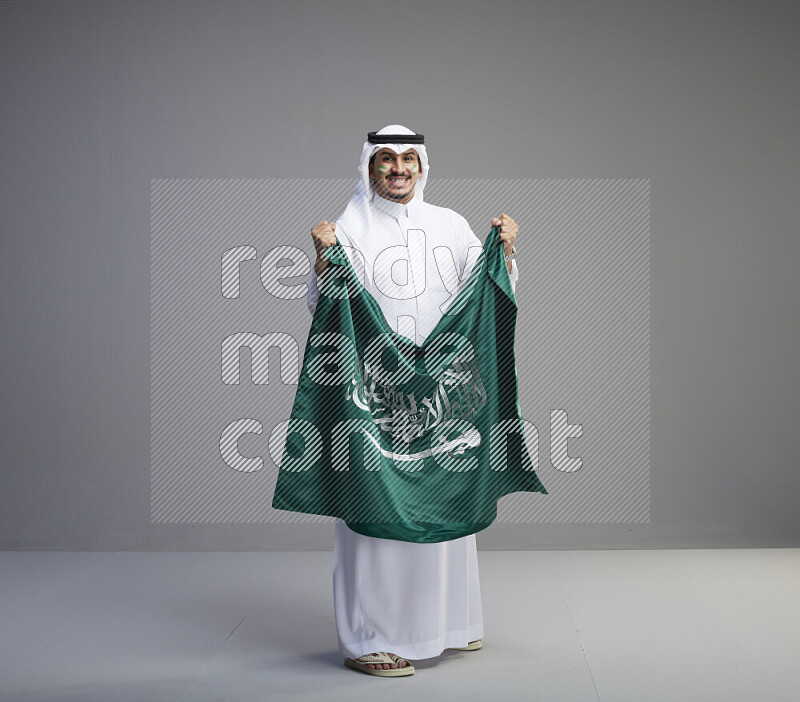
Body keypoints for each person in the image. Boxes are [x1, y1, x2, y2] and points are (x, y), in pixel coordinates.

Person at [306, 125, 520, 677]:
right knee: (375, 507)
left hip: (443, 388)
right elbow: (323, 308)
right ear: (368, 167)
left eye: (408, 158)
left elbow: (487, 287)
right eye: (385, 159)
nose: (398, 169)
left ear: (422, 165)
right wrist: (323, 262)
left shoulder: (450, 225)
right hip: (375, 389)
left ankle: (451, 624)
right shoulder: (347, 229)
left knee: (445, 499)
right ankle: (369, 639)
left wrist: (508, 252)